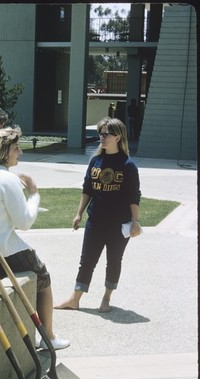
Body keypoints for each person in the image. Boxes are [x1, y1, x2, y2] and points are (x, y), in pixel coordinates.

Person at [0, 126, 70, 350]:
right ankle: (48, 336)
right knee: (43, 275)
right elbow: (25, 222)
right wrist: (34, 194)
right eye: (16, 148)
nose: (20, 153)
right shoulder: (6, 179)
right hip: (1, 253)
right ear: (3, 151)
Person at [54, 117, 141, 313]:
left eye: (105, 134)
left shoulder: (128, 165)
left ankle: (106, 298)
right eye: (100, 133)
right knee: (87, 261)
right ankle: (75, 299)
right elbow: (87, 190)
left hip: (119, 223)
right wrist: (79, 214)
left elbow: (134, 196)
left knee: (113, 261)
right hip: (95, 221)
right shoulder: (95, 160)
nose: (101, 137)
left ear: (117, 137)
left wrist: (135, 222)